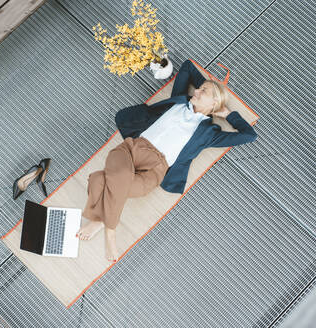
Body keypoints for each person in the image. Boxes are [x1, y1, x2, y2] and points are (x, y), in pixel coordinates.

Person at [75, 59, 258, 262]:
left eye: (203, 91)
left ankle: (101, 217)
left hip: (156, 170)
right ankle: (109, 229)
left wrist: (228, 113)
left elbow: (249, 135)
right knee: (122, 175)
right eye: (199, 88)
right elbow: (188, 66)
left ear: (214, 102)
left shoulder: (209, 133)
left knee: (101, 180)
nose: (196, 91)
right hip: (133, 149)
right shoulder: (179, 100)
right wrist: (206, 90)